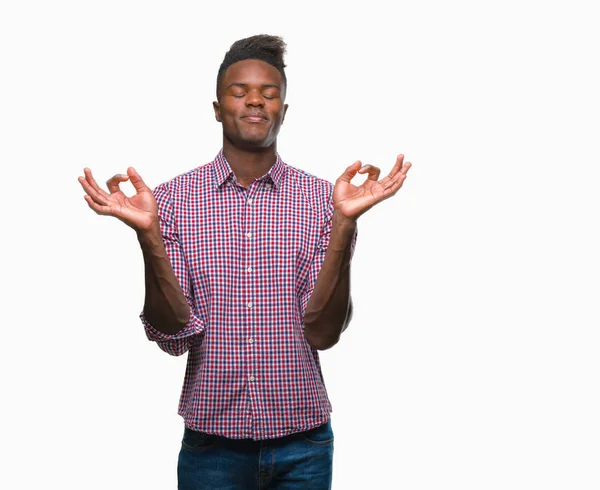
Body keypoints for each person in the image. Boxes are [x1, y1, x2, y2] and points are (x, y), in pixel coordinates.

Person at [78, 34, 411, 490]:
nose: (255, 100)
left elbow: (323, 332)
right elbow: (173, 334)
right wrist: (148, 235)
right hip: (211, 448)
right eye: (239, 91)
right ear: (217, 108)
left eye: (269, 93)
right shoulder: (172, 200)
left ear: (283, 111)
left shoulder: (324, 200)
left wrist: (344, 225)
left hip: (304, 446)